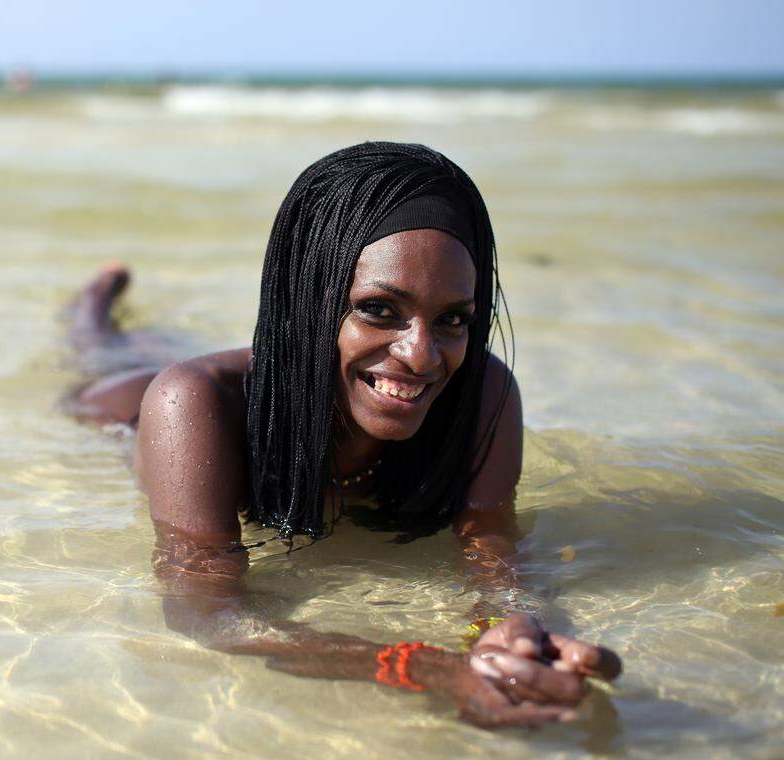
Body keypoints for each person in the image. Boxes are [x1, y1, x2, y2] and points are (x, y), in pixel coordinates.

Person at [65, 142, 621, 727]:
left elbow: (493, 552)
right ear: (310, 299)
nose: (422, 354)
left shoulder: (484, 394)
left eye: (453, 318)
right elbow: (206, 612)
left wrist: (510, 632)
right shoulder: (192, 401)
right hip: (117, 403)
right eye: (380, 309)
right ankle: (96, 296)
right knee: (97, 344)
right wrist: (427, 668)